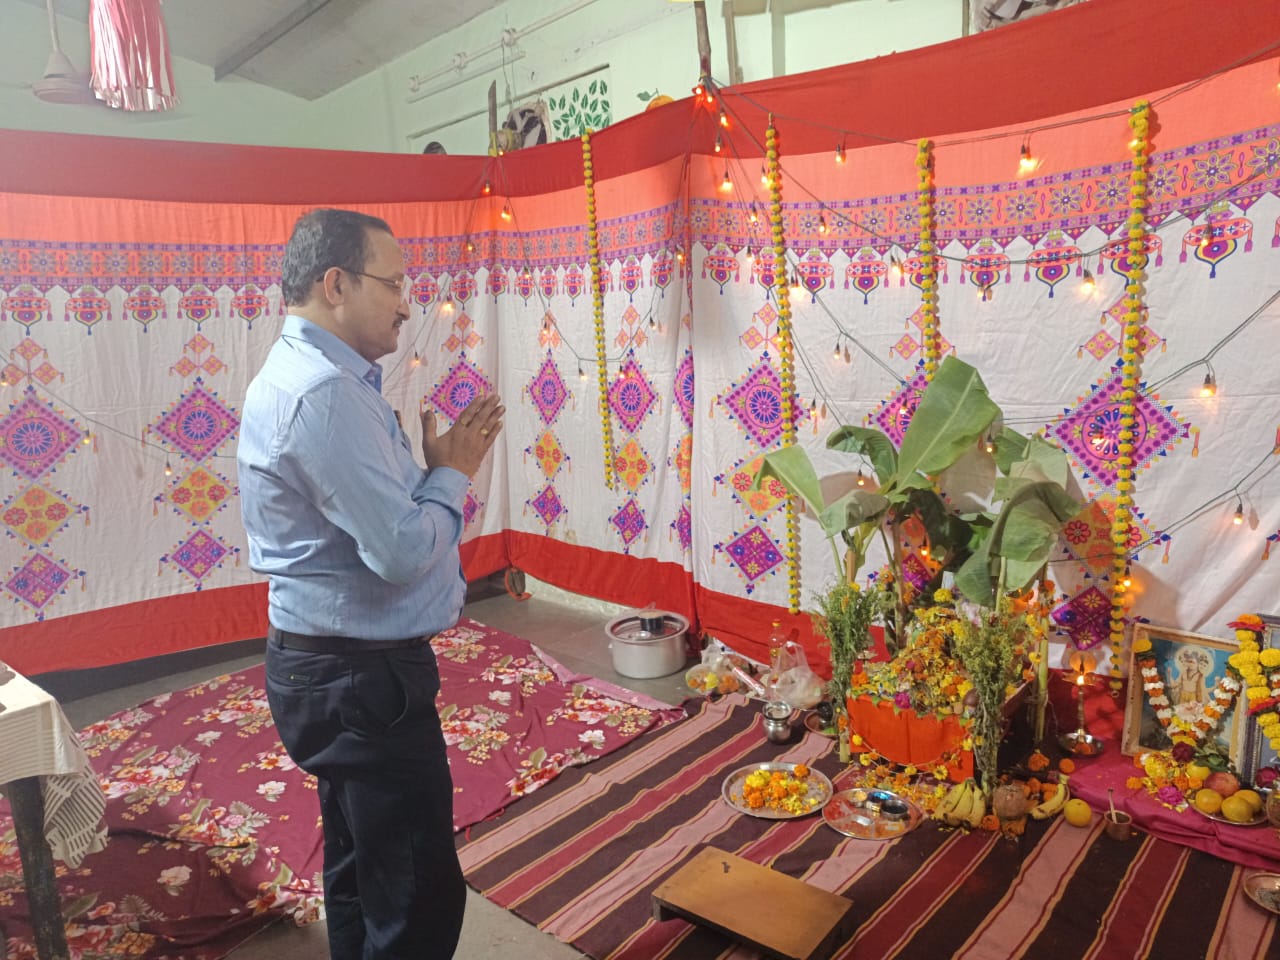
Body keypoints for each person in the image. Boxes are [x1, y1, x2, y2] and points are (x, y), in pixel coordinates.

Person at [237, 207, 503, 960]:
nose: (407, 305)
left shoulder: (318, 380)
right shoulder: (323, 395)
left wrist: (434, 471)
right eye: (394, 284)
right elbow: (401, 551)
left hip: (334, 670)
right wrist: (453, 472)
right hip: (360, 681)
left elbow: (376, 519)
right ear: (336, 284)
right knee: (417, 889)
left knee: (364, 864)